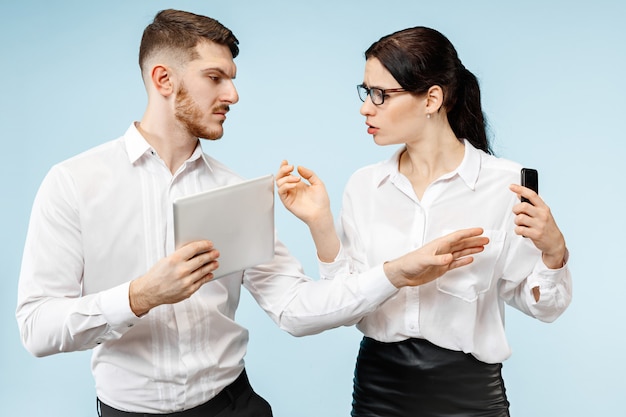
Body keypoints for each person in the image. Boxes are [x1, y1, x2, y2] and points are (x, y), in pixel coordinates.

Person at [16, 11, 491, 417]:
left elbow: (295, 310)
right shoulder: (74, 183)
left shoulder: (235, 193)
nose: (232, 96)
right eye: (215, 78)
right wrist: (139, 296)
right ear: (163, 79)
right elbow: (37, 327)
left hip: (235, 406)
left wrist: (396, 272)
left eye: (232, 80)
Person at [276, 26, 572, 417]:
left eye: (381, 95)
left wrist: (554, 251)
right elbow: (346, 300)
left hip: (471, 398)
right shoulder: (365, 185)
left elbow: (544, 308)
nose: (366, 107)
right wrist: (320, 224)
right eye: (366, 92)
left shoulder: (505, 185)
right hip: (378, 391)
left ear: (432, 98)